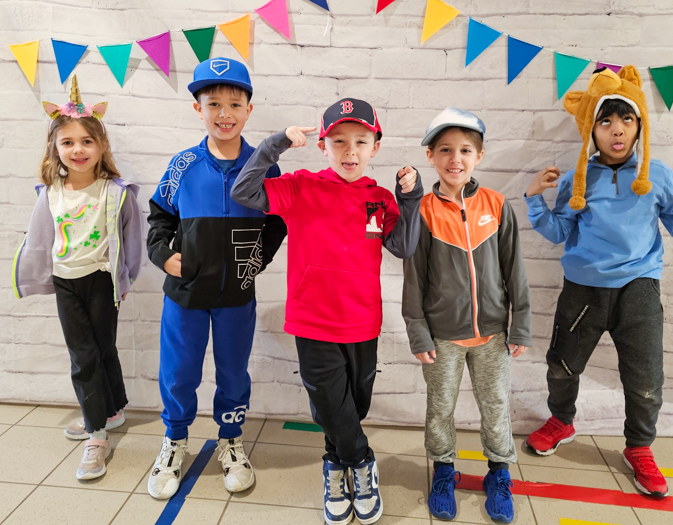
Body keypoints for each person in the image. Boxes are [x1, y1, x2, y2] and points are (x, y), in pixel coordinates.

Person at [524, 65, 673, 498]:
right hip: (582, 287)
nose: (617, 130)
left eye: (626, 120)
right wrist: (534, 201)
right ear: (592, 129)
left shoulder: (657, 175)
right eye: (606, 121)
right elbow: (560, 231)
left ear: (639, 126)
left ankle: (639, 447)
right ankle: (562, 420)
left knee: (645, 378)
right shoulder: (578, 177)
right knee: (562, 366)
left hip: (639, 287)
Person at [231, 98, 423, 525]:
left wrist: (410, 199)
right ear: (322, 146)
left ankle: (335, 463)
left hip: (362, 322)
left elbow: (404, 247)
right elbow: (243, 191)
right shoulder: (301, 186)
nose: (349, 151)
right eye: (338, 141)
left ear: (375, 146)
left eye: (360, 141)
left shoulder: (379, 199)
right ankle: (360, 464)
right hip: (313, 320)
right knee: (330, 404)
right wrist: (275, 144)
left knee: (354, 406)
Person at [145, 57, 287, 500]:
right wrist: (165, 257)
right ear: (198, 109)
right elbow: (159, 219)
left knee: (232, 373)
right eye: (213, 104)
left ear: (248, 110)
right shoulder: (182, 165)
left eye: (234, 103)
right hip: (185, 296)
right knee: (179, 372)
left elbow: (279, 222)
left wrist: (253, 263)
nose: (224, 113)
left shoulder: (265, 168)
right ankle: (174, 440)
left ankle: (231, 440)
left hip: (236, 296)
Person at [402, 108, 532, 523]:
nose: (454, 159)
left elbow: (515, 270)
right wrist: (418, 332)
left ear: (478, 155)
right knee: (440, 407)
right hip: (442, 337)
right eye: (444, 150)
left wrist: (521, 324)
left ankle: (499, 474)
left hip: (493, 335)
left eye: (464, 150)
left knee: (495, 407)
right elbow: (414, 280)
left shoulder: (496, 205)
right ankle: (443, 471)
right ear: (430, 156)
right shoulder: (422, 211)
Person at [13, 75, 142, 481]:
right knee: (82, 355)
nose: (78, 149)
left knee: (103, 348)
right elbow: (38, 240)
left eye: (86, 141)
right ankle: (97, 432)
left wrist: (123, 279)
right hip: (66, 281)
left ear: (101, 146)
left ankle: (112, 409)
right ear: (55, 148)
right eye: (67, 142)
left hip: (102, 280)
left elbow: (133, 243)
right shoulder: (50, 192)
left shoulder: (116, 192)